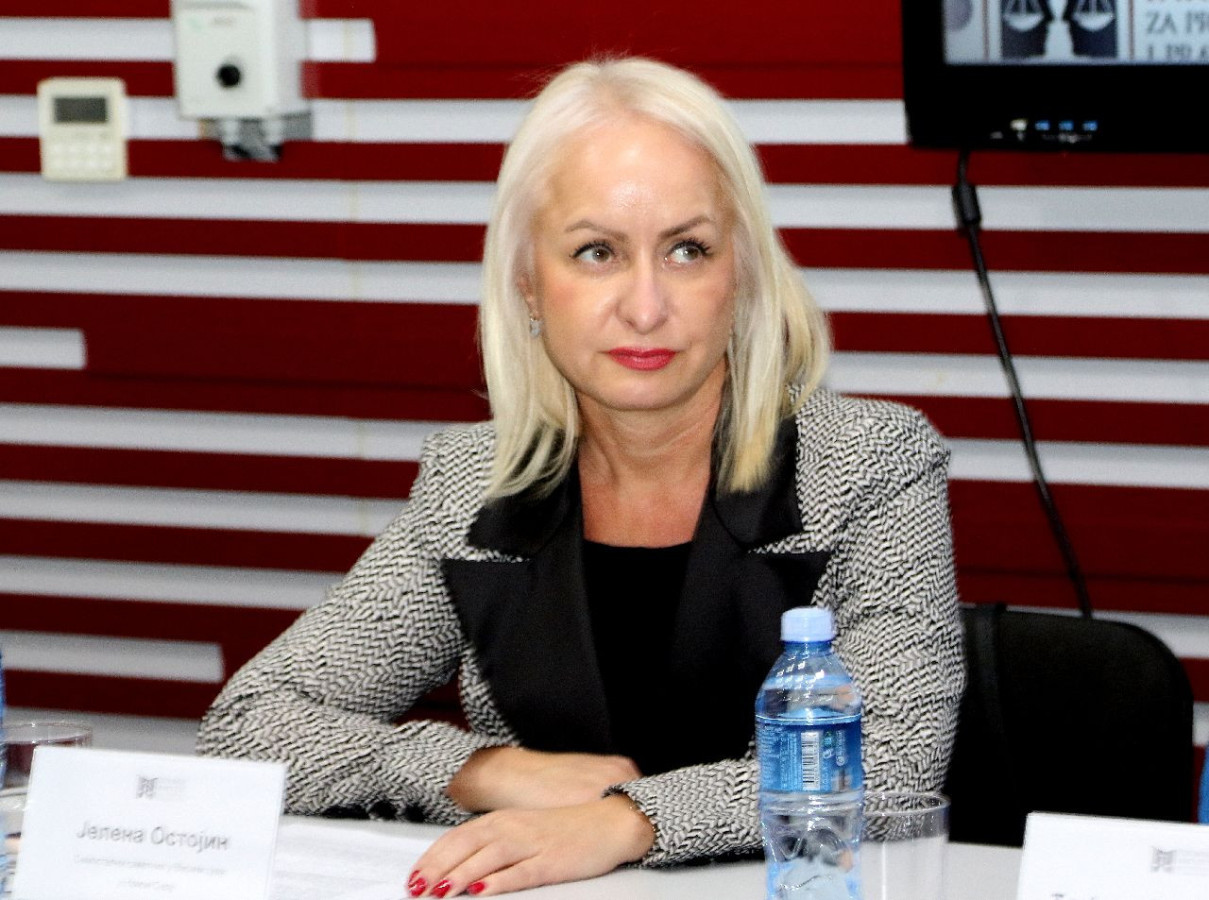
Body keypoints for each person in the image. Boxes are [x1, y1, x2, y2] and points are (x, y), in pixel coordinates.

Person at [197, 57, 964, 897]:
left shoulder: (867, 463)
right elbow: (249, 726)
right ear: (528, 283)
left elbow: (895, 769)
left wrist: (631, 820)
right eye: (596, 252)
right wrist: (480, 771)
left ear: (741, 273)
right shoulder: (472, 485)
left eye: (687, 250)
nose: (645, 307)